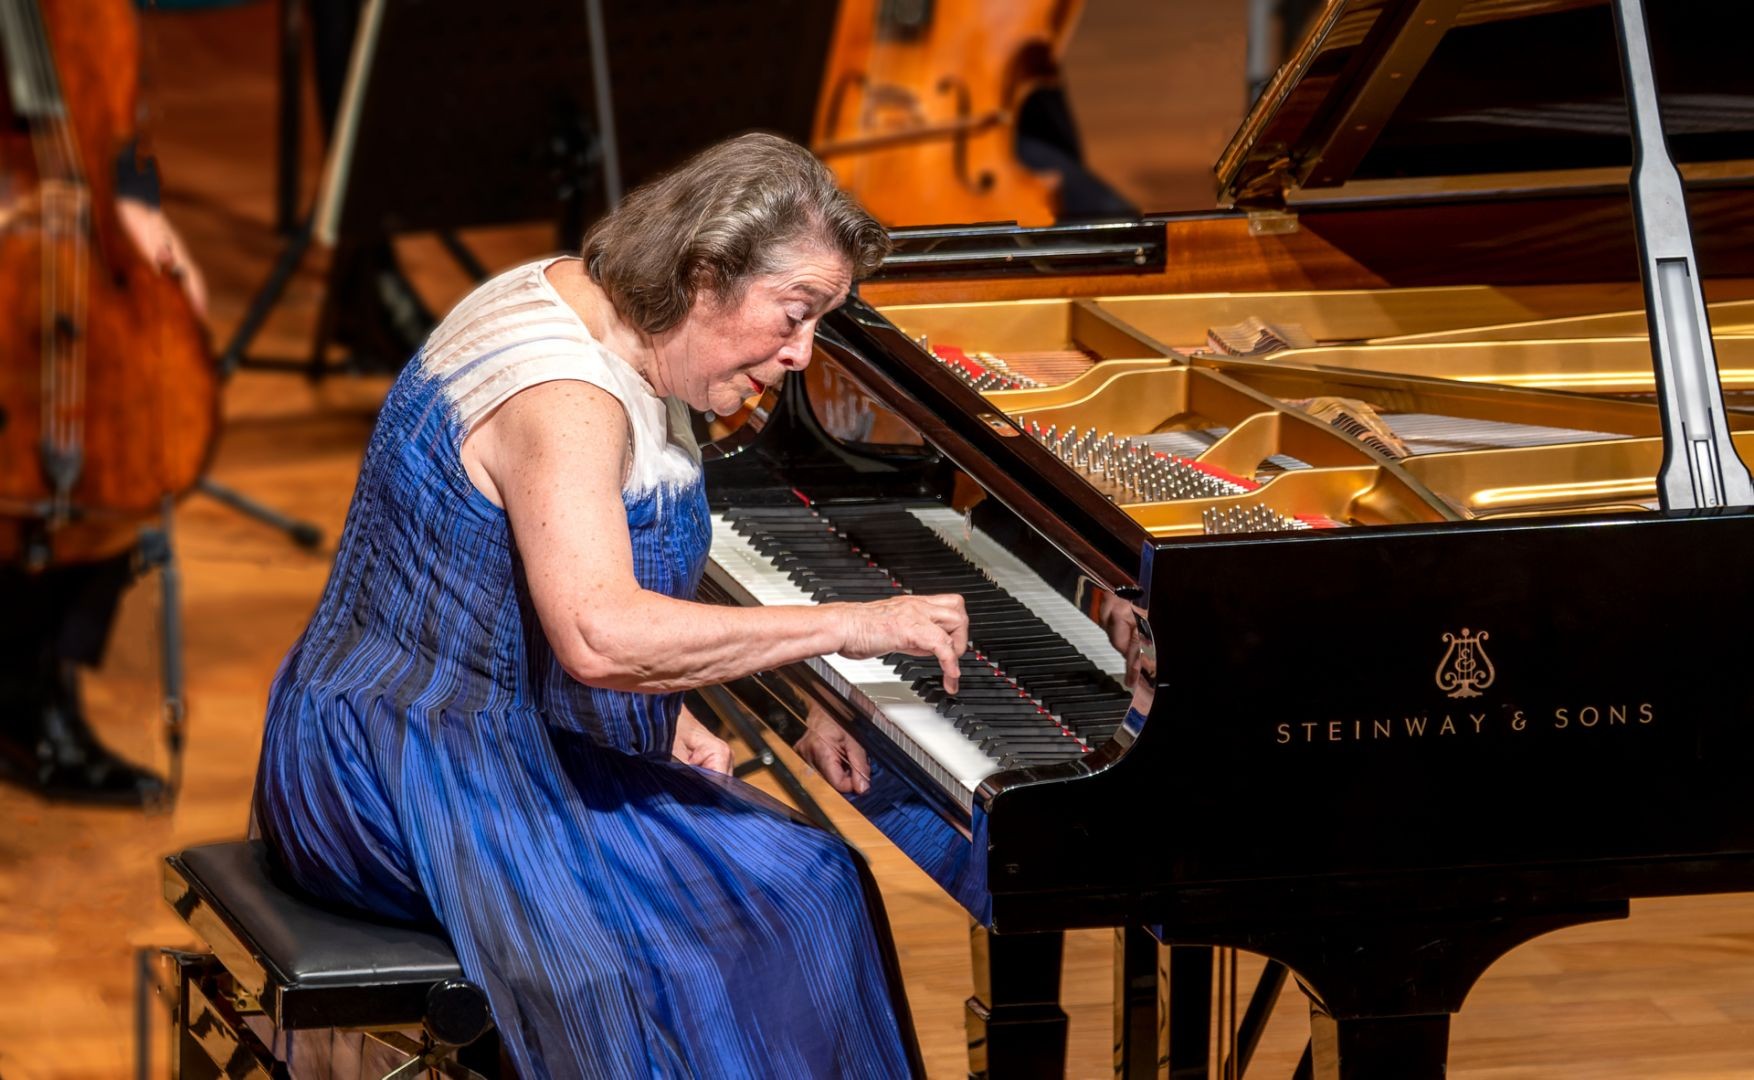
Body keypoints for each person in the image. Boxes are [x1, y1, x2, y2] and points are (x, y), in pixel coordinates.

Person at [253, 132, 969, 1077]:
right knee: (783, 902)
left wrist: (685, 707)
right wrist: (849, 627)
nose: (802, 354)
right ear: (705, 273)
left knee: (805, 886)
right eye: (794, 315)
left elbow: (516, 588)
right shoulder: (565, 395)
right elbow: (599, 635)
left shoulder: (602, 307)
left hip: (446, 728)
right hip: (399, 774)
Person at [0, 139, 206, 805]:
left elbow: (111, 122)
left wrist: (136, 208)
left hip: (70, 216)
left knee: (123, 423)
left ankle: (30, 685)